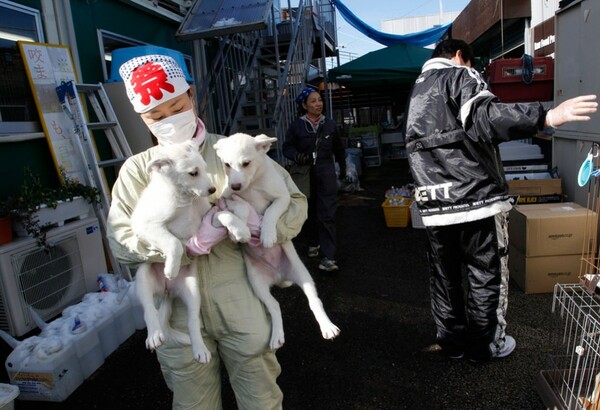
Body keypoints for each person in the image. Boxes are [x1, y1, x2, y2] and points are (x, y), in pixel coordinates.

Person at [106, 49, 308, 409]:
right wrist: (184, 247)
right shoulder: (139, 170)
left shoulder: (230, 148)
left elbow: (294, 202)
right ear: (143, 118)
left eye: (175, 105)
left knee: (261, 399)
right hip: (180, 305)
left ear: (192, 96)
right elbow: (122, 240)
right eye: (156, 115)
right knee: (193, 403)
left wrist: (267, 228)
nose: (169, 118)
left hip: (241, 295)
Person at [404, 39, 597, 363]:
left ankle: (453, 344)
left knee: (445, 278)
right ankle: (485, 346)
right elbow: (485, 116)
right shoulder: (459, 76)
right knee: (486, 274)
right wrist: (546, 116)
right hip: (475, 198)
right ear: (460, 56)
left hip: (435, 205)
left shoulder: (417, 92)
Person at [282, 87, 346, 272]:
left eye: (319, 100)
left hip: (326, 174)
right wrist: (298, 156)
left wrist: (342, 169)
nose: (318, 104)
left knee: (327, 215)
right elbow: (287, 148)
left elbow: (339, 150)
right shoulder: (297, 126)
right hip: (305, 175)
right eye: (313, 101)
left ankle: (329, 258)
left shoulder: (330, 125)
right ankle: (313, 242)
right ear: (304, 105)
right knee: (308, 212)